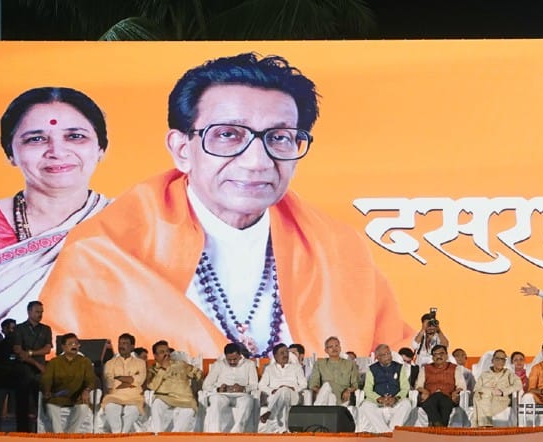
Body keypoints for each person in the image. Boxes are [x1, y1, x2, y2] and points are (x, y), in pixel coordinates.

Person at [41, 53, 411, 358]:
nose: (257, 161)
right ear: (182, 149)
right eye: (228, 135)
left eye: (280, 138)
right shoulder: (102, 253)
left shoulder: (339, 250)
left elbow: (396, 353)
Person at [0, 87, 110, 320]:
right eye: (36, 139)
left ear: (100, 148)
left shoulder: (132, 224)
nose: (57, 152)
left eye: (75, 136)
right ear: (10, 153)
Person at [40, 332, 96, 433]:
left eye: (76, 344)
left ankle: (70, 433)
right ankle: (58, 434)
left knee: (83, 408)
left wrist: (87, 390)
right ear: (63, 347)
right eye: (70, 344)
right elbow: (46, 378)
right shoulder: (54, 362)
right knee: (50, 406)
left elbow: (91, 379)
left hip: (77, 396)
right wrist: (47, 390)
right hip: (57, 397)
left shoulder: (85, 361)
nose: (74, 346)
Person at [11, 300, 53, 432]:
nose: (40, 315)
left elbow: (47, 349)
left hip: (40, 371)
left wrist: (30, 352)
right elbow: (18, 351)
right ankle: (22, 432)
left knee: (40, 402)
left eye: (41, 312)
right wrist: (34, 362)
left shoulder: (46, 329)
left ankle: (41, 430)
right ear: (29, 312)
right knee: (22, 403)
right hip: (24, 370)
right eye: (37, 312)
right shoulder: (19, 328)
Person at [201, 342, 259, 432]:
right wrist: (218, 389)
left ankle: (237, 432)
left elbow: (254, 385)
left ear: (240, 355)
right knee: (216, 401)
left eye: (235, 359)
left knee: (248, 401)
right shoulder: (219, 364)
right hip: (222, 395)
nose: (232, 362)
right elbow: (206, 385)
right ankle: (215, 433)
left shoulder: (249, 364)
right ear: (225, 356)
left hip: (241, 395)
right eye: (229, 360)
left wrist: (243, 388)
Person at [356, 343, 412, 433]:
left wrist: (396, 398)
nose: (388, 357)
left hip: (395, 401)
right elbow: (367, 389)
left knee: (407, 404)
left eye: (389, 353)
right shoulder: (372, 369)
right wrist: (379, 399)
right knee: (365, 406)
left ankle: (390, 431)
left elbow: (405, 387)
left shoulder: (399, 367)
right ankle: (387, 433)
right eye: (384, 355)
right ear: (378, 357)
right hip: (378, 402)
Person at [148, 340, 203, 432]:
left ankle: (175, 436)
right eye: (162, 352)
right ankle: (158, 434)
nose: (166, 354)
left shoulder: (181, 364)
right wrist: (163, 369)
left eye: (167, 351)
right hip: (164, 397)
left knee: (189, 411)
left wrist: (197, 380)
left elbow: (197, 373)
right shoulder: (153, 370)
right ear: (155, 356)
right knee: (156, 405)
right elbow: (152, 386)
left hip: (184, 398)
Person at [100, 332, 146, 433]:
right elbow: (109, 383)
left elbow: (140, 380)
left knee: (132, 410)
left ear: (132, 346)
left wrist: (119, 378)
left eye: (125, 343)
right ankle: (117, 434)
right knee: (110, 407)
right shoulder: (110, 363)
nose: (121, 346)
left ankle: (123, 434)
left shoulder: (140, 363)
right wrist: (130, 380)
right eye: (120, 343)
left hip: (134, 397)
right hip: (114, 396)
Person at [258, 342, 306, 433]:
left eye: (286, 353)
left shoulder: (296, 367)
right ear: (275, 356)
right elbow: (261, 385)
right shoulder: (269, 369)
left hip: (293, 395)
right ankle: (283, 429)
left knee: (284, 390)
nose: (285, 355)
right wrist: (272, 391)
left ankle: (270, 412)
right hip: (274, 396)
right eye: (282, 353)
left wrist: (293, 389)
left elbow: (304, 384)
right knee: (283, 394)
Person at [416, 344, 464, 427]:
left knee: (442, 400)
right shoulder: (425, 368)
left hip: (447, 397)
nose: (438, 356)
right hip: (430, 397)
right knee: (431, 401)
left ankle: (435, 424)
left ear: (446, 355)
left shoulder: (455, 368)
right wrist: (424, 391)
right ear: (432, 357)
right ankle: (441, 427)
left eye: (441, 354)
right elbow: (418, 385)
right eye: (435, 354)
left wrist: (455, 393)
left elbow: (461, 385)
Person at [473, 349, 522, 427]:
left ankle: (483, 427)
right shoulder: (484, 375)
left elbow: (518, 385)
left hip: (501, 400)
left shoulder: (508, 373)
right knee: (480, 396)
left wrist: (503, 392)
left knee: (482, 400)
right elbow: (476, 389)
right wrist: (490, 391)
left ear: (505, 362)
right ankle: (484, 426)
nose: (500, 361)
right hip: (485, 399)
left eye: (503, 359)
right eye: (498, 358)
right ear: (492, 360)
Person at [309, 336, 360, 406]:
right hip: (326, 396)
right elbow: (313, 384)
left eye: (336, 345)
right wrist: (321, 392)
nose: (334, 348)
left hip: (343, 395)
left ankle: (317, 410)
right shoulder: (320, 364)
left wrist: (348, 390)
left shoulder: (350, 364)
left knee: (328, 386)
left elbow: (355, 384)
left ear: (340, 348)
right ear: (326, 350)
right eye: (330, 346)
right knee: (329, 391)